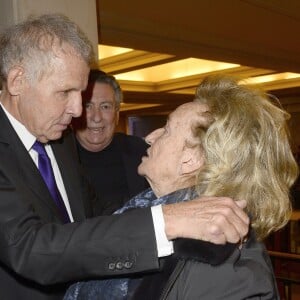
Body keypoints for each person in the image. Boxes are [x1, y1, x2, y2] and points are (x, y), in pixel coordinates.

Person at [0, 13, 249, 300]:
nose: (78, 111)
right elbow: (30, 249)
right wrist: (164, 220)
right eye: (65, 91)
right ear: (18, 81)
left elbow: (93, 214)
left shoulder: (60, 139)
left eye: (79, 93)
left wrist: (182, 208)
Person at [64, 75, 299, 299]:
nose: (150, 138)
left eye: (166, 129)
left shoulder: (220, 262)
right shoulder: (149, 212)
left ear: (191, 159)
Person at [73, 70, 149, 214]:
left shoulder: (141, 152)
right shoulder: (55, 157)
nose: (96, 117)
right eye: (87, 106)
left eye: (105, 106)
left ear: (117, 114)